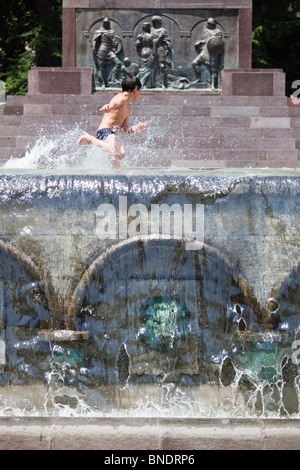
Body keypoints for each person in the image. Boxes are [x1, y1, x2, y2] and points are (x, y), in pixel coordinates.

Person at [78, 75, 147, 167]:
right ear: (136, 89)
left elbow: (124, 129)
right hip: (105, 132)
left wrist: (137, 128)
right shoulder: (123, 97)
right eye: (140, 91)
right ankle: (91, 140)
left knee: (119, 168)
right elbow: (115, 102)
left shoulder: (128, 107)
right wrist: (109, 107)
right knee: (120, 153)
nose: (139, 94)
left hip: (110, 136)